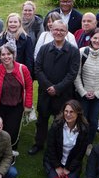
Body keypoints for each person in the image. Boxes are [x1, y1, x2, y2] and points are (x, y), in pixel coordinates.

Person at [31, 20, 80, 156]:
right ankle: (39, 143)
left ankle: (58, 147)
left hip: (63, 94)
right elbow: (38, 69)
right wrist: (48, 86)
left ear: (66, 32)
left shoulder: (73, 51)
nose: (58, 33)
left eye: (62, 30)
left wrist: (57, 88)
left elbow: (72, 73)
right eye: (56, 30)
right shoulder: (44, 48)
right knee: (42, 120)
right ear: (51, 30)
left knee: (61, 122)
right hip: (45, 92)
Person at [0, 43, 33, 153]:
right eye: (3, 54)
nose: (6, 57)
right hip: (1, 107)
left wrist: (28, 105)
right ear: (0, 57)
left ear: (13, 55)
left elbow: (29, 87)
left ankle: (11, 152)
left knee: (12, 131)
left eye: (8, 54)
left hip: (16, 107)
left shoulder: (23, 69)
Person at [74, 28, 99, 145]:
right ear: (91, 38)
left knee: (93, 119)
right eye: (95, 38)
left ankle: (89, 143)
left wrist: (97, 93)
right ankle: (79, 141)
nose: (97, 40)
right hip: (83, 93)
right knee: (82, 117)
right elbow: (76, 74)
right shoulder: (82, 52)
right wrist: (83, 92)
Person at [43, 100, 89, 178]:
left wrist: (68, 168)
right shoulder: (56, 125)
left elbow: (80, 153)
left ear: (78, 113)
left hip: (71, 163)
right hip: (55, 161)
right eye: (66, 111)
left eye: (71, 112)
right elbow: (50, 148)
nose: (68, 114)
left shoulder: (84, 129)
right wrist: (57, 166)